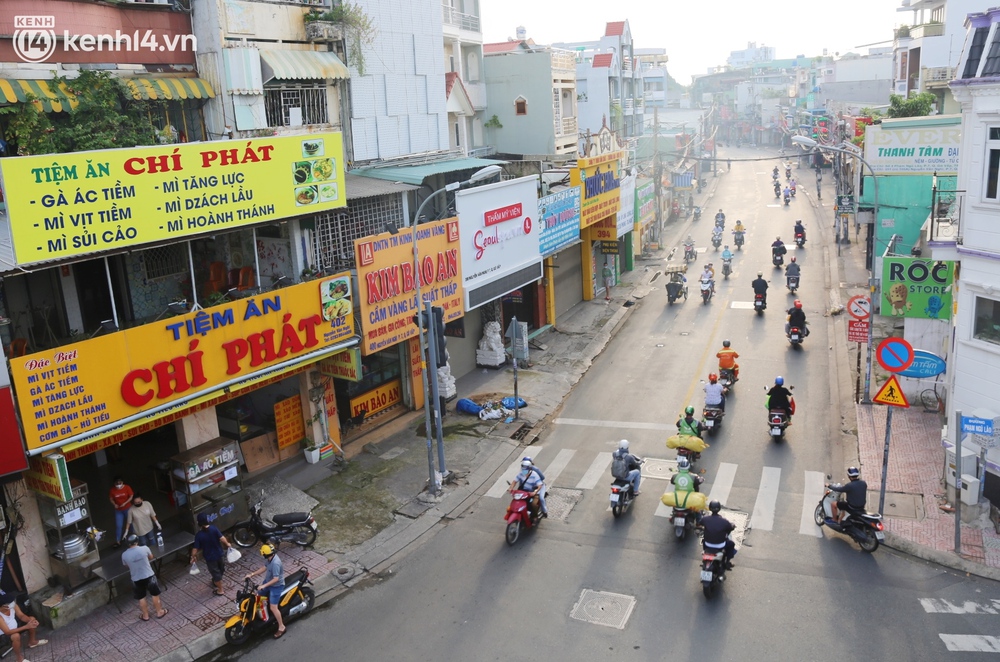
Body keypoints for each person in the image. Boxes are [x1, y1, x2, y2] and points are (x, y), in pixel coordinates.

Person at [121, 534, 168, 621]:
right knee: (154, 594)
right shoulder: (145, 548)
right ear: (137, 541)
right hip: (148, 575)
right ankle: (159, 612)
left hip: (136, 578)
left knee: (141, 597)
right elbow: (151, 557)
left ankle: (145, 615)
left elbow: (126, 565)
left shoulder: (124, 555)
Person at [246, 544, 286, 639]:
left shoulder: (275, 563)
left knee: (273, 607)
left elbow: (276, 579)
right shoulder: (270, 559)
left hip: (276, 586)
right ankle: (263, 615)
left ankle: (281, 626)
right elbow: (264, 568)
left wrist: (263, 585)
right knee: (257, 596)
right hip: (268, 582)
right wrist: (252, 574)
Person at [190, 513, 234, 597]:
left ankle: (220, 590)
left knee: (215, 573)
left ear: (198, 523)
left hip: (210, 558)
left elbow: (195, 549)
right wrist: (228, 544)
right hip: (220, 554)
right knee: (221, 570)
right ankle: (216, 581)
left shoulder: (199, 535)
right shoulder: (214, 528)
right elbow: (222, 538)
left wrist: (193, 556)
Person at [0, 593, 45, 662]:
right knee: (16, 636)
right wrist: (26, 626)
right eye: (10, 603)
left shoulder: (13, 606)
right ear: (3, 606)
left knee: (31, 619)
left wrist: (31, 621)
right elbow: (7, 632)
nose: (13, 603)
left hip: (15, 626)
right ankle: (19, 658)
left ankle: (32, 642)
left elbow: (21, 616)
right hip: (4, 635)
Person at [700, 500, 737, 569]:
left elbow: (700, 523)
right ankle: (727, 562)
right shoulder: (724, 522)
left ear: (710, 508)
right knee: (731, 544)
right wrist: (733, 525)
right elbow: (730, 527)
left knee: (703, 541)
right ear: (719, 508)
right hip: (720, 545)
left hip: (707, 544)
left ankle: (705, 553)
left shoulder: (705, 519)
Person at [109, 476, 134, 549]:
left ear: (122, 482)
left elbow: (131, 496)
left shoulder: (127, 487)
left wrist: (125, 503)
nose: (118, 485)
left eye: (120, 483)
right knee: (119, 525)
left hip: (127, 508)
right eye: (116, 483)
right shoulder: (112, 490)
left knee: (131, 523)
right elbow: (111, 498)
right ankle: (118, 541)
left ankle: (134, 536)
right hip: (118, 510)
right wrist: (114, 504)